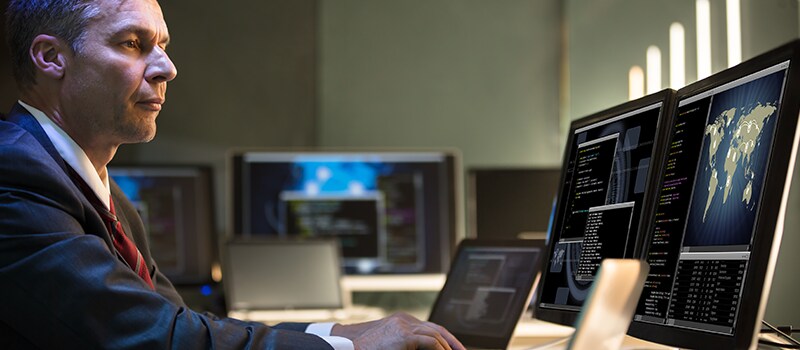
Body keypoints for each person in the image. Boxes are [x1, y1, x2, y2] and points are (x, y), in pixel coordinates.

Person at [0, 0, 465, 349]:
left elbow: (176, 317)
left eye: (162, 46)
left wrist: (338, 330)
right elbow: (155, 336)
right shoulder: (15, 173)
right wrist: (344, 346)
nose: (167, 68)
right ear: (50, 58)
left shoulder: (95, 186)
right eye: (133, 44)